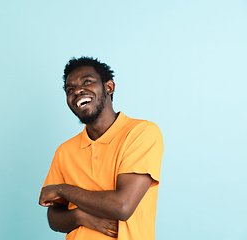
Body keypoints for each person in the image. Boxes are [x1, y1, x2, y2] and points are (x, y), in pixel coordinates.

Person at [39, 57, 164, 240]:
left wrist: (62, 190)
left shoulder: (141, 133)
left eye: (87, 82)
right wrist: (79, 216)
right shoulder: (64, 151)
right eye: (70, 90)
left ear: (109, 87)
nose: (78, 91)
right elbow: (53, 218)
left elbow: (122, 206)